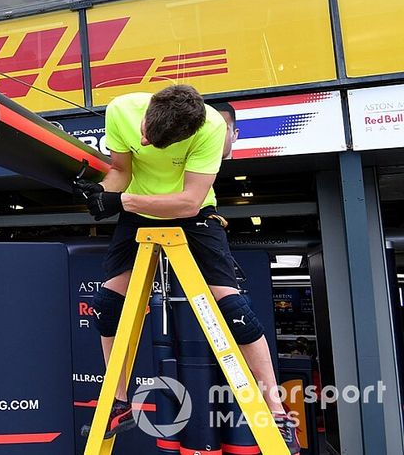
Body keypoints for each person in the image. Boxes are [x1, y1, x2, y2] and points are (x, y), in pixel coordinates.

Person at [76, 85, 298, 453]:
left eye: (156, 143)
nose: (145, 141)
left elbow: (189, 203)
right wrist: (101, 193)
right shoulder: (120, 110)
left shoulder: (211, 127)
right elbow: (120, 172)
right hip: (137, 214)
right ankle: (118, 402)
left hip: (191, 214)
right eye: (145, 132)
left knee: (234, 310)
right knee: (106, 306)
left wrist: (122, 200)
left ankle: (275, 409)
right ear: (148, 111)